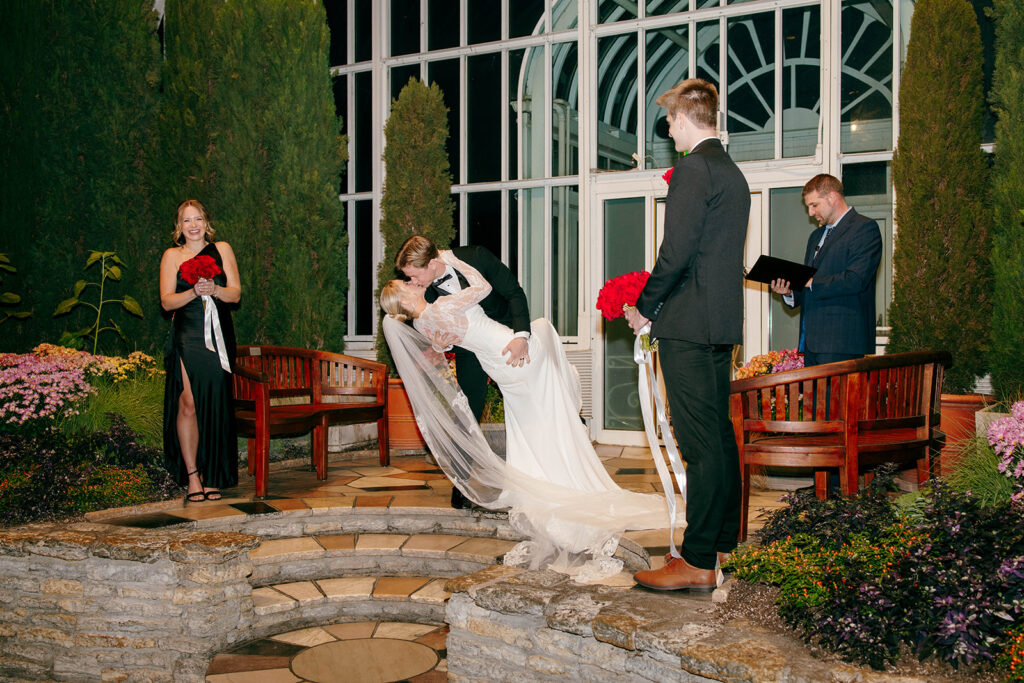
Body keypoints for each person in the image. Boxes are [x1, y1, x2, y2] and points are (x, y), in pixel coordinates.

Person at [379, 251, 674, 581]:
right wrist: (454, 260)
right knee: (544, 331)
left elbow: (441, 340)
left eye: (409, 277)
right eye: (405, 284)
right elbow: (482, 286)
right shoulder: (440, 306)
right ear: (404, 300)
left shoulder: (423, 322)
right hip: (514, 354)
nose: (411, 282)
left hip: (501, 367)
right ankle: (568, 423)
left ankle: (547, 477)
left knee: (534, 422)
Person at [624, 78, 749, 592]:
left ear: (689, 115)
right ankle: (723, 543)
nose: (668, 129)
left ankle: (697, 560)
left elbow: (675, 254)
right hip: (718, 326)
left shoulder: (695, 169)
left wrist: (644, 308)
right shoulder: (732, 171)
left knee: (700, 444)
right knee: (718, 436)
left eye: (671, 120)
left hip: (689, 326)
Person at [396, 235, 531, 509]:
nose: (413, 283)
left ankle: (538, 464)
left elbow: (514, 292)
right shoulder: (427, 292)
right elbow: (431, 328)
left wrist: (521, 336)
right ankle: (461, 483)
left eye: (414, 275)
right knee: (466, 407)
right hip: (471, 348)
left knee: (527, 399)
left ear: (433, 263)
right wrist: (441, 344)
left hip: (505, 337)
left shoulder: (477, 257)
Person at [160, 199, 241, 503]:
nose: (192, 226)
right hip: (188, 334)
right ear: (178, 227)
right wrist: (192, 292)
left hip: (219, 335)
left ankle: (214, 476)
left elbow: (235, 294)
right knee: (189, 403)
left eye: (197, 219)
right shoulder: (172, 256)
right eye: (186, 221)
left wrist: (215, 290)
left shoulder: (223, 249)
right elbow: (166, 302)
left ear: (206, 223)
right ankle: (193, 475)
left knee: (216, 404)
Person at [770, 174, 882, 367]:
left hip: (842, 341)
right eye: (808, 207)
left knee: (836, 399)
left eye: (814, 205)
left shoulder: (865, 229)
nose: (811, 213)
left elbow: (856, 279)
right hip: (812, 343)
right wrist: (789, 292)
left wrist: (810, 281)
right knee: (815, 399)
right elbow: (808, 287)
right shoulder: (816, 236)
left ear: (832, 197)